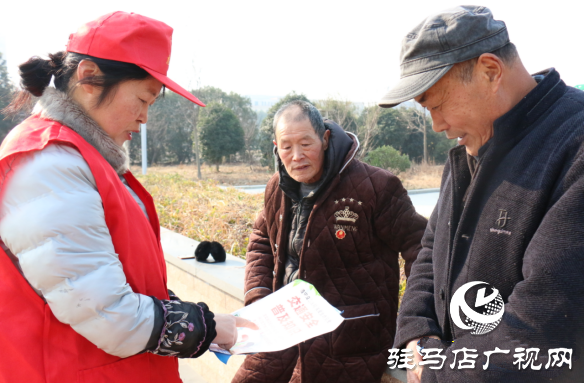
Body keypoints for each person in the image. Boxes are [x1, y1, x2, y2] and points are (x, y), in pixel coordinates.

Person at [0, 12, 254, 383]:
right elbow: (107, 315)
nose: (145, 117)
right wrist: (213, 328)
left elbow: (113, 278)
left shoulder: (78, 157)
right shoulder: (49, 163)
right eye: (142, 98)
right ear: (88, 77)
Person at [378, 5, 584, 382]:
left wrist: (436, 373)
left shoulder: (574, 149)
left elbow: (545, 322)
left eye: (437, 105)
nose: (437, 125)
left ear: (490, 71)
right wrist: (416, 334)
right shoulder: (468, 152)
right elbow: (430, 252)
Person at [231, 100, 427, 383]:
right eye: (286, 147)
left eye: (305, 144)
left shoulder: (376, 187)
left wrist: (416, 325)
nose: (296, 156)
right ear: (276, 146)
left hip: (348, 340)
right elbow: (262, 240)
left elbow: (421, 249)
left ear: (324, 139)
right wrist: (258, 298)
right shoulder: (278, 186)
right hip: (280, 330)